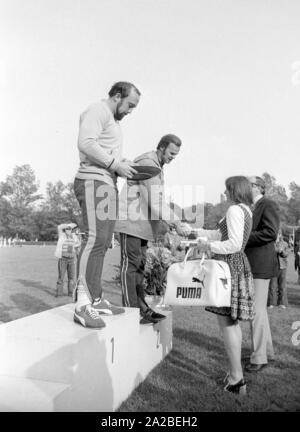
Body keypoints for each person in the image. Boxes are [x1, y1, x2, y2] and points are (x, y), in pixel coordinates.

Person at [73, 81, 141, 329]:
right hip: (93, 181)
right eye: (130, 105)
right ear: (116, 96)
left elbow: (102, 149)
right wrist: (115, 164)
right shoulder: (98, 110)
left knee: (102, 243)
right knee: (94, 240)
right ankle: (82, 305)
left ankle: (96, 299)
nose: (131, 110)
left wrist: (121, 163)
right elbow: (86, 143)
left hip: (106, 183)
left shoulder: (112, 120)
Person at [114, 134, 190, 324]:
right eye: (171, 152)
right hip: (130, 223)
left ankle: (142, 309)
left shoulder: (156, 166)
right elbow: (156, 202)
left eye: (176, 154)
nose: (173, 157)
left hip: (141, 226)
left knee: (139, 268)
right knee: (131, 266)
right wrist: (176, 222)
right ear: (161, 147)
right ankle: (131, 311)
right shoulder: (149, 164)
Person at [194, 176, 254, 395]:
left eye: (227, 189)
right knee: (232, 323)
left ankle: (237, 379)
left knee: (227, 323)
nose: (225, 193)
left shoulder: (234, 211)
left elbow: (233, 243)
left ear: (234, 190)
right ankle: (235, 375)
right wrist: (197, 233)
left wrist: (208, 246)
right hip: (237, 266)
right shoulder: (246, 210)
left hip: (229, 267)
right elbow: (223, 234)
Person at [244, 176, 280, 373]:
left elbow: (271, 232)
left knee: (255, 312)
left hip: (260, 264)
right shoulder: (254, 206)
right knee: (259, 311)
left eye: (247, 185)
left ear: (257, 187)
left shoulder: (267, 204)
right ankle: (267, 352)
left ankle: (259, 357)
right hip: (256, 264)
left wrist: (243, 238)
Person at [54, 223, 81, 297]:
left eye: (69, 229)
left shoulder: (74, 236)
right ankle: (59, 294)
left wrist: (78, 257)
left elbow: (77, 247)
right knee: (61, 277)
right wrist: (67, 225)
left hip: (71, 259)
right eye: (67, 229)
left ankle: (70, 293)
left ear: (71, 230)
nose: (68, 230)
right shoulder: (61, 235)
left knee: (71, 278)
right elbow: (59, 227)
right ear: (65, 230)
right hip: (63, 259)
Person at [268, 231, 289, 309]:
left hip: (282, 267)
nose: (278, 235)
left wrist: (282, 251)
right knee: (272, 286)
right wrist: (276, 248)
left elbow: (286, 254)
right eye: (276, 233)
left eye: (279, 234)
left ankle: (282, 303)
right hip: (273, 267)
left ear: (281, 235)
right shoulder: (271, 243)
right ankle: (271, 303)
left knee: (282, 286)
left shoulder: (285, 244)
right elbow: (269, 253)